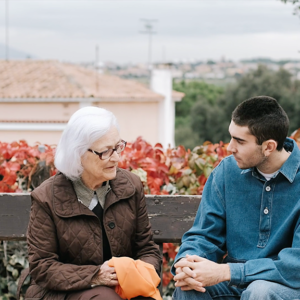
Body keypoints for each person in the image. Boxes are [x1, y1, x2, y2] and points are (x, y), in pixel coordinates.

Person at [25, 106, 162, 300]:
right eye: (105, 151)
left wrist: (138, 273)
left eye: (117, 147)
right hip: (62, 293)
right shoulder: (46, 197)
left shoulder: (131, 186)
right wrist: (96, 275)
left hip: (122, 287)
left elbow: (147, 250)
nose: (116, 158)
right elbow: (42, 266)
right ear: (78, 153)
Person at [172, 96, 300, 300]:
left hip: (285, 287)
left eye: (239, 141)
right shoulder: (226, 172)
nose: (230, 148)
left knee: (260, 292)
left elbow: (295, 265)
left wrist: (228, 272)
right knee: (190, 287)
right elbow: (204, 236)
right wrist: (188, 265)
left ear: (268, 147)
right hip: (234, 285)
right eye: (231, 137)